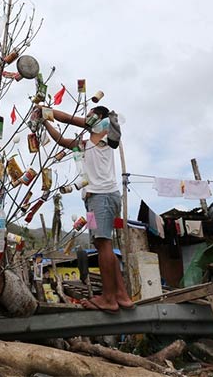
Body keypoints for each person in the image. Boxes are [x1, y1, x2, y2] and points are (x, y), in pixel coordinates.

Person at [42, 105, 134, 313]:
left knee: (104, 245)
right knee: (102, 244)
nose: (87, 117)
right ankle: (121, 295)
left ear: (99, 118)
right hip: (92, 201)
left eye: (91, 114)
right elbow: (60, 140)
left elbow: (67, 118)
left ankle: (109, 299)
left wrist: (44, 109)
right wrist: (45, 122)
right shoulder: (85, 144)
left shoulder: (106, 132)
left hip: (103, 197)